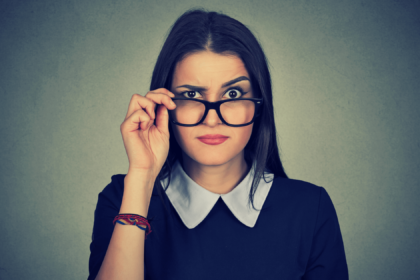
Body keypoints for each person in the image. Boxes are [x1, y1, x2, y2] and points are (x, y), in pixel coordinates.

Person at [88, 8, 348, 280]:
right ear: (164, 105)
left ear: (259, 106)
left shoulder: (310, 209)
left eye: (233, 93)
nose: (212, 119)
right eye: (190, 94)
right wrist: (141, 176)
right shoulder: (123, 197)